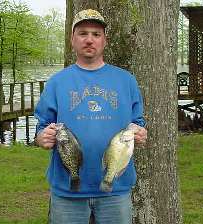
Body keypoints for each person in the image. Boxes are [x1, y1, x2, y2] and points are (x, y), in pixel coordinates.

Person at [34, 9, 147, 224]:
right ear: (72, 39)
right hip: (67, 189)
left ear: (105, 40)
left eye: (96, 34)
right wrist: (42, 137)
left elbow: (137, 123)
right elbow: (42, 126)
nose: (89, 40)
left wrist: (140, 133)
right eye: (83, 33)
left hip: (116, 188)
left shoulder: (126, 80)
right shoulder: (57, 82)